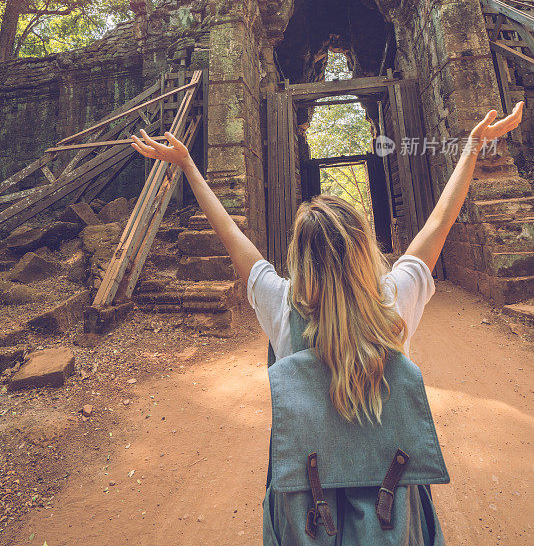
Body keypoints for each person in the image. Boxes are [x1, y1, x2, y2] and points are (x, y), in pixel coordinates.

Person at [131, 101, 524, 544]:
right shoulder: (392, 303)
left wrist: (187, 165)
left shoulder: (281, 306)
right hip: (391, 507)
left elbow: (230, 234)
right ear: (363, 248)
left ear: (299, 257)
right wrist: (472, 147)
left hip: (308, 509)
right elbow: (440, 220)